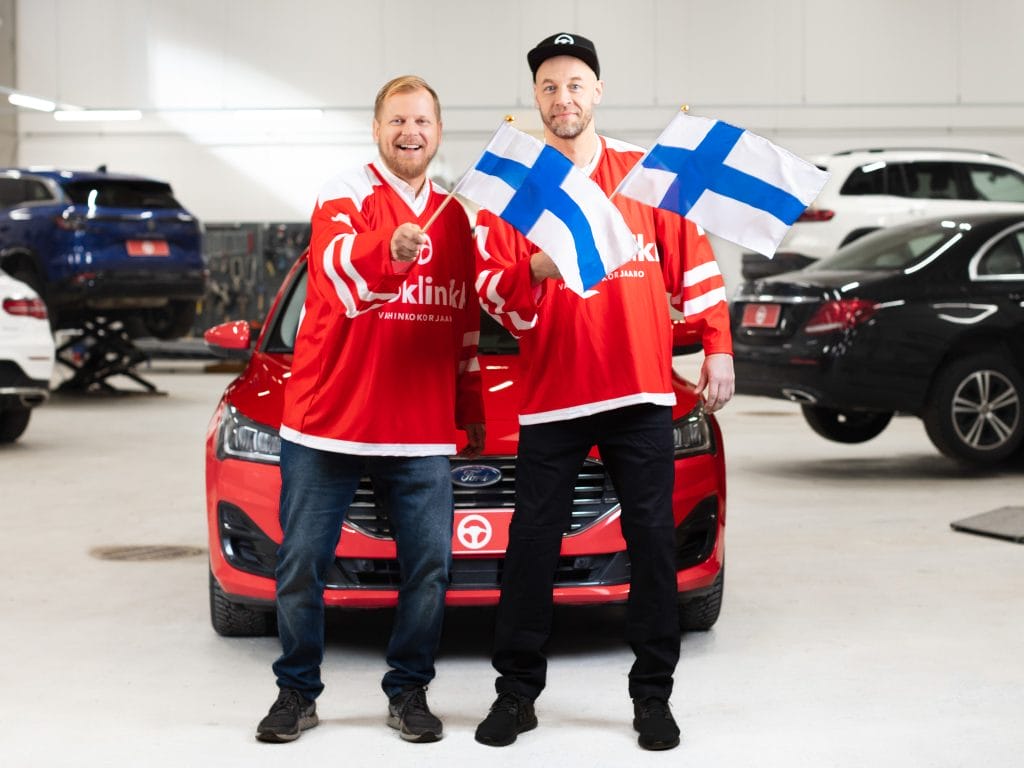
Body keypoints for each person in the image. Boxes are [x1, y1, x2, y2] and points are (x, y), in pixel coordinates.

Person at [472, 33, 734, 751]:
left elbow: (695, 265)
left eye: (575, 85)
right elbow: (490, 288)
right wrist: (537, 268)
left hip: (640, 391)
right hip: (554, 397)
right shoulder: (516, 187)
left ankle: (653, 697)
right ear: (536, 97)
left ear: (598, 91)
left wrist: (717, 344)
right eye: (549, 87)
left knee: (651, 543)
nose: (563, 98)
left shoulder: (645, 174)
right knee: (531, 547)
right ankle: (516, 694)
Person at [255, 75, 485, 745]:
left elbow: (464, 321)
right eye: (398, 120)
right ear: (377, 129)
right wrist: (388, 249)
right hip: (328, 421)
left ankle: (409, 690)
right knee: (301, 565)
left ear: (438, 133)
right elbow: (334, 271)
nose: (410, 132)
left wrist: (469, 404)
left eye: (422, 121)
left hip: (419, 428)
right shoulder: (344, 193)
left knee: (430, 569)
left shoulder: (456, 217)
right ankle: (297, 691)